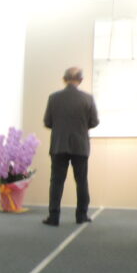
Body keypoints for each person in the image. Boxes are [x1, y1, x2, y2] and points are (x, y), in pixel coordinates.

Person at [42, 66, 99, 226]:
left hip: (59, 145)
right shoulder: (88, 98)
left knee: (56, 181)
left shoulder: (53, 98)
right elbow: (94, 122)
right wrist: (81, 126)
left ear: (64, 79)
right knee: (81, 181)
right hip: (80, 145)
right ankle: (81, 215)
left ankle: (54, 216)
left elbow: (47, 122)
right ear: (80, 80)